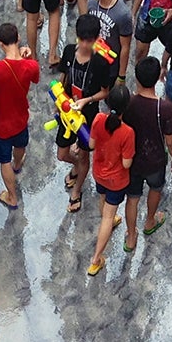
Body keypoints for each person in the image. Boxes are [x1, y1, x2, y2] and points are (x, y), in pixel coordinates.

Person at [54, 15, 117, 211]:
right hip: (67, 111)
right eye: (82, 40)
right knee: (62, 154)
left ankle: (78, 189)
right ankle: (77, 168)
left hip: (88, 114)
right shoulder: (68, 52)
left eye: (89, 41)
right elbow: (63, 77)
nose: (84, 45)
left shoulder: (101, 62)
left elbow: (105, 92)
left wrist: (86, 100)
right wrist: (60, 99)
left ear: (97, 38)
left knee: (84, 155)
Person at [0, 23, 41, 210]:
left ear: (0, 44)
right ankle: (18, 164)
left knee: (3, 160)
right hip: (21, 117)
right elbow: (36, 78)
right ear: (19, 38)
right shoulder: (30, 66)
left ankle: (12, 197)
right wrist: (29, 57)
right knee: (20, 145)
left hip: (1, 123)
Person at [124, 57, 172, 240]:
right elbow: (170, 140)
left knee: (132, 198)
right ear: (157, 79)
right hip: (155, 160)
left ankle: (131, 236)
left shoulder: (128, 102)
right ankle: (149, 221)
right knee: (155, 190)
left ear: (137, 78)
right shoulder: (164, 108)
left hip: (132, 159)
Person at [89, 83, 137, 276]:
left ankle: (109, 222)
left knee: (103, 201)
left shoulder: (99, 119)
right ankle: (96, 258)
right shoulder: (127, 132)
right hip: (117, 180)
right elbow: (126, 164)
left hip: (99, 173)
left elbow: (92, 144)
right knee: (108, 216)